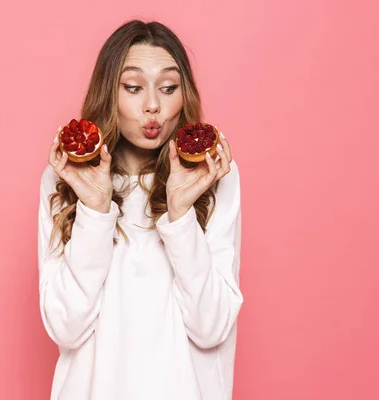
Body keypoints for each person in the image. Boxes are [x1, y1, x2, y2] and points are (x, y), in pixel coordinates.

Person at [37, 19, 243, 400]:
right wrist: (96, 211)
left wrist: (181, 215)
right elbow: (64, 326)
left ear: (184, 95)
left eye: (168, 88)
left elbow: (211, 327)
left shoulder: (214, 177)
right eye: (133, 87)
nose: (153, 105)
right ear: (109, 92)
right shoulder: (67, 179)